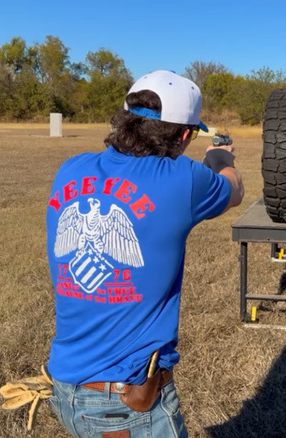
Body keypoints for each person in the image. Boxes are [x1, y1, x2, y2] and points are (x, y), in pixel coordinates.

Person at [44, 70, 244, 438]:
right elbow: (234, 189)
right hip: (125, 403)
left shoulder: (69, 170)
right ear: (184, 135)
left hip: (66, 386)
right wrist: (219, 157)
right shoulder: (184, 178)